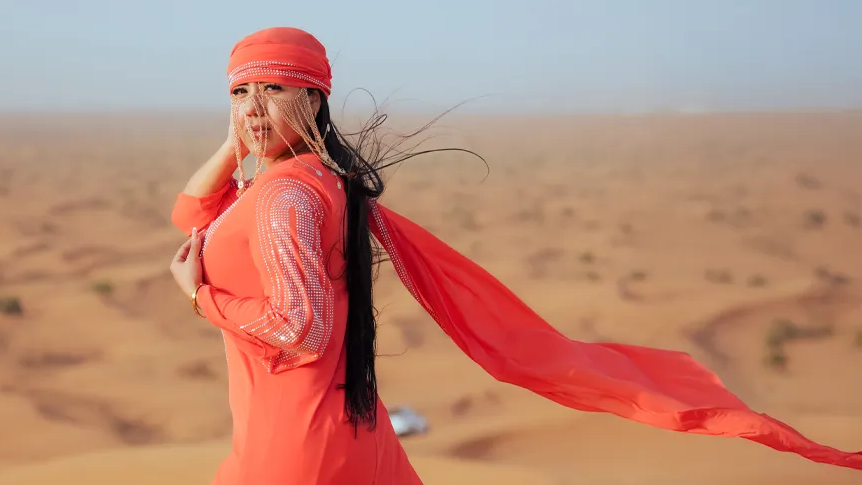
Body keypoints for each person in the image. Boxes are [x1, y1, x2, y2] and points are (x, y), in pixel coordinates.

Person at [168, 27, 860, 484]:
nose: (252, 105)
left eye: (272, 88)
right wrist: (245, 136)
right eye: (238, 91)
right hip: (345, 430)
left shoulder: (286, 198)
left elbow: (301, 327)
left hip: (291, 450)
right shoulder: (312, 181)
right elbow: (196, 212)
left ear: (314, 98)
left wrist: (200, 297)